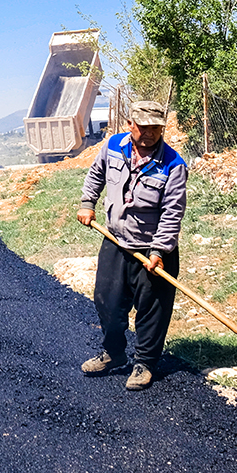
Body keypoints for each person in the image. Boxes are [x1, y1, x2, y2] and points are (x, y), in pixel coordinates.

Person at [76, 100, 188, 391]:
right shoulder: (113, 146)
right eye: (144, 127)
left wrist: (159, 251)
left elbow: (172, 212)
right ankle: (113, 354)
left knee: (152, 310)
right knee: (107, 303)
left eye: (156, 128)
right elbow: (96, 175)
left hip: (152, 249)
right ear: (130, 125)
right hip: (116, 241)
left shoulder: (173, 165)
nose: (150, 133)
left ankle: (144, 364)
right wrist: (88, 203)